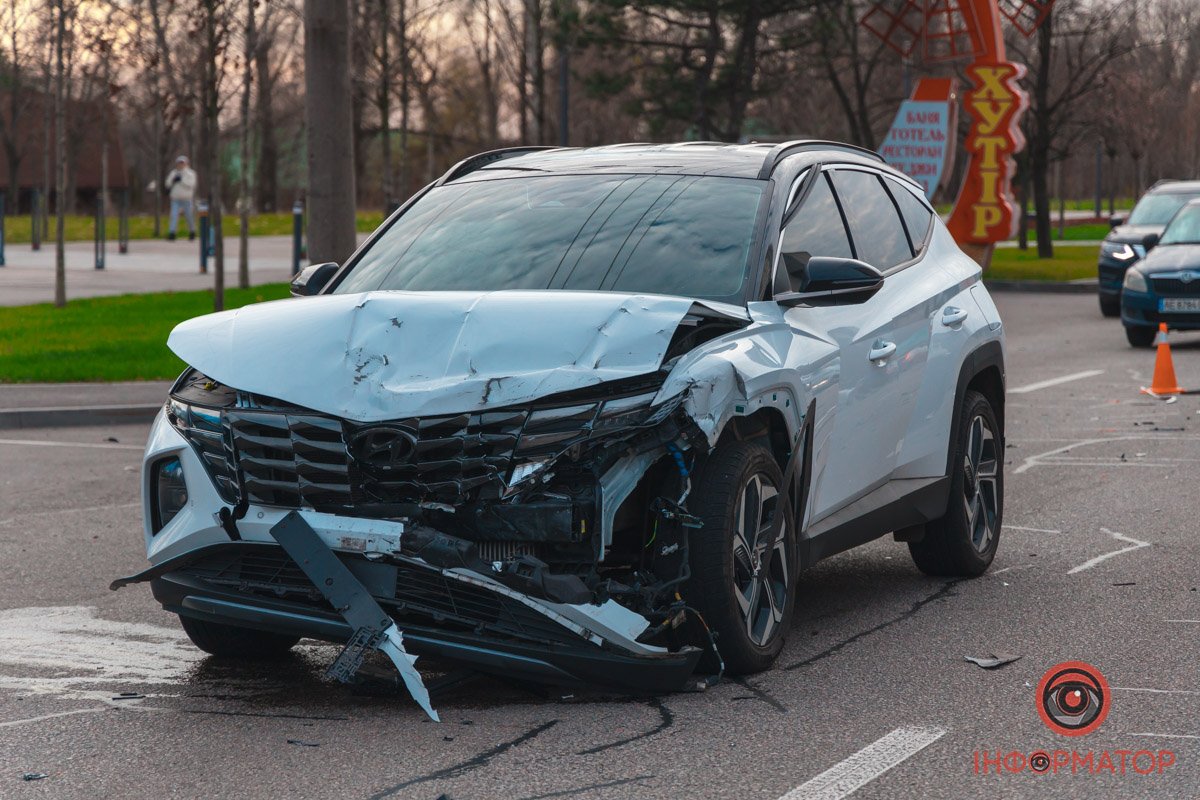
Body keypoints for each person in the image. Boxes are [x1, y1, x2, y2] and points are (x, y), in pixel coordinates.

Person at [165, 155, 197, 241]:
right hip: (175, 199)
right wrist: (173, 180)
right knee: (174, 216)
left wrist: (181, 180)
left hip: (186, 199)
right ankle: (172, 233)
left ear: (186, 164)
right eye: (179, 163)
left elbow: (191, 185)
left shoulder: (191, 173)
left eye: (182, 163)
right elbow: (167, 184)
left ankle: (192, 231)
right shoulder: (173, 173)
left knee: (189, 216)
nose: (181, 165)